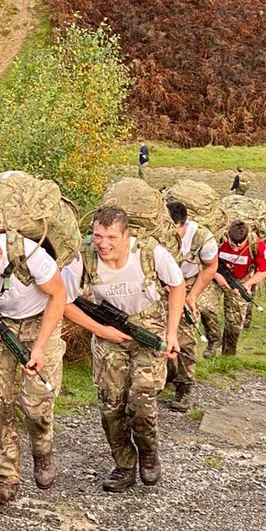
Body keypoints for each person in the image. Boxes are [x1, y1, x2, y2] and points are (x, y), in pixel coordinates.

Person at [65, 206, 184, 493]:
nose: (103, 243)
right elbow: (63, 302)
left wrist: (171, 334)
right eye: (97, 236)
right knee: (111, 405)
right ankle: (124, 464)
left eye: (111, 237)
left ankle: (147, 451)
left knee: (142, 401)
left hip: (149, 330)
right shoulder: (84, 258)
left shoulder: (150, 253)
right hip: (108, 334)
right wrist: (100, 330)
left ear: (126, 235)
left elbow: (177, 286)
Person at [0, 225, 68, 505]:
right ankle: (6, 477)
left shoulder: (30, 255)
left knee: (36, 404)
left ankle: (42, 450)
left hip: (39, 321)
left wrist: (40, 346)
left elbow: (59, 296)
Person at [165, 200, 219, 412]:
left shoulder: (203, 238)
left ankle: (184, 387)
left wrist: (191, 296)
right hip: (161, 283)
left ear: (183, 224)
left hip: (188, 283)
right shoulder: (158, 233)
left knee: (185, 335)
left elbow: (211, 267)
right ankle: (162, 376)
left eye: (174, 228)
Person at [215, 220, 266, 355]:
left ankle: (228, 355)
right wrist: (217, 276)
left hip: (241, 280)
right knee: (206, 309)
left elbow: (265, 269)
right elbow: (204, 260)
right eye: (232, 244)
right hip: (214, 277)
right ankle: (213, 340)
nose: (235, 249)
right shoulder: (217, 239)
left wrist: (248, 284)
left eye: (239, 245)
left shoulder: (257, 245)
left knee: (235, 322)